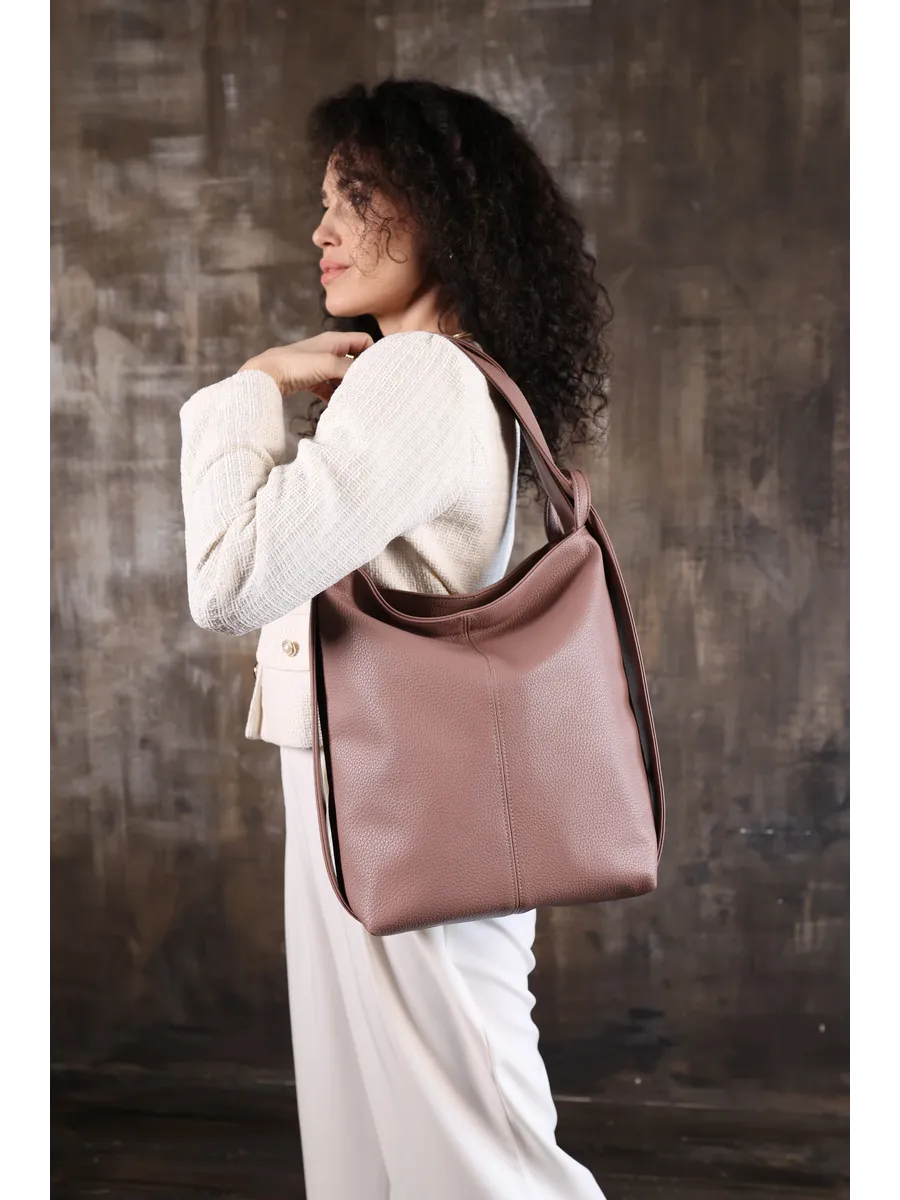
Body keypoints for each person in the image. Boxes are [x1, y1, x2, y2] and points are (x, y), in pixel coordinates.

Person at [179, 77, 612, 1200]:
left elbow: (229, 581)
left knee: (471, 1155)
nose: (321, 229)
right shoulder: (453, 377)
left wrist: (247, 389)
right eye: (325, 199)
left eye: (358, 195)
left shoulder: (419, 376)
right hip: (387, 790)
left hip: (406, 802)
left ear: (443, 212)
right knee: (403, 1146)